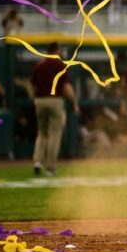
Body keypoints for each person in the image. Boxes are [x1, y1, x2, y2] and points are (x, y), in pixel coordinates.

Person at [29, 42, 80, 176]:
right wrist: (74, 102)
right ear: (56, 51)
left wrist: (35, 98)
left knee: (42, 133)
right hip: (55, 100)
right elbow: (66, 87)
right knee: (55, 135)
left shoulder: (39, 66)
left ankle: (37, 162)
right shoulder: (59, 65)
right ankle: (50, 167)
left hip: (40, 101)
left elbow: (32, 86)